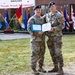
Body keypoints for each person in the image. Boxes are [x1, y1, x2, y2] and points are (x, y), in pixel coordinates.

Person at [44, 2, 65, 75]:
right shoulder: (47, 15)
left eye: (53, 6)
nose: (52, 8)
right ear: (49, 8)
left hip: (57, 37)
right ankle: (55, 67)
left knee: (58, 53)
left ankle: (61, 69)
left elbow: (62, 25)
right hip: (50, 38)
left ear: (55, 7)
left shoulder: (59, 15)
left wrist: (54, 28)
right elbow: (43, 23)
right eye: (51, 7)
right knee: (52, 53)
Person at [27, 5, 46, 75]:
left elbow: (45, 27)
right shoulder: (32, 19)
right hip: (35, 40)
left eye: (39, 9)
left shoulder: (42, 19)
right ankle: (33, 68)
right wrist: (37, 33)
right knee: (35, 54)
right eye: (37, 10)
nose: (38, 11)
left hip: (42, 40)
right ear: (34, 11)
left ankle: (40, 67)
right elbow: (29, 29)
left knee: (42, 53)